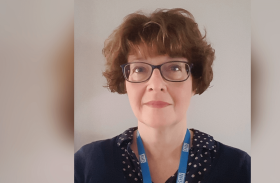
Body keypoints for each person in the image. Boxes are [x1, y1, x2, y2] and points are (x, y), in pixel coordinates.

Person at [75, 8, 250, 183]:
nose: (156, 85)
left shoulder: (239, 168)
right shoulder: (87, 164)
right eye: (139, 69)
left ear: (195, 81)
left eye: (174, 68)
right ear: (125, 82)